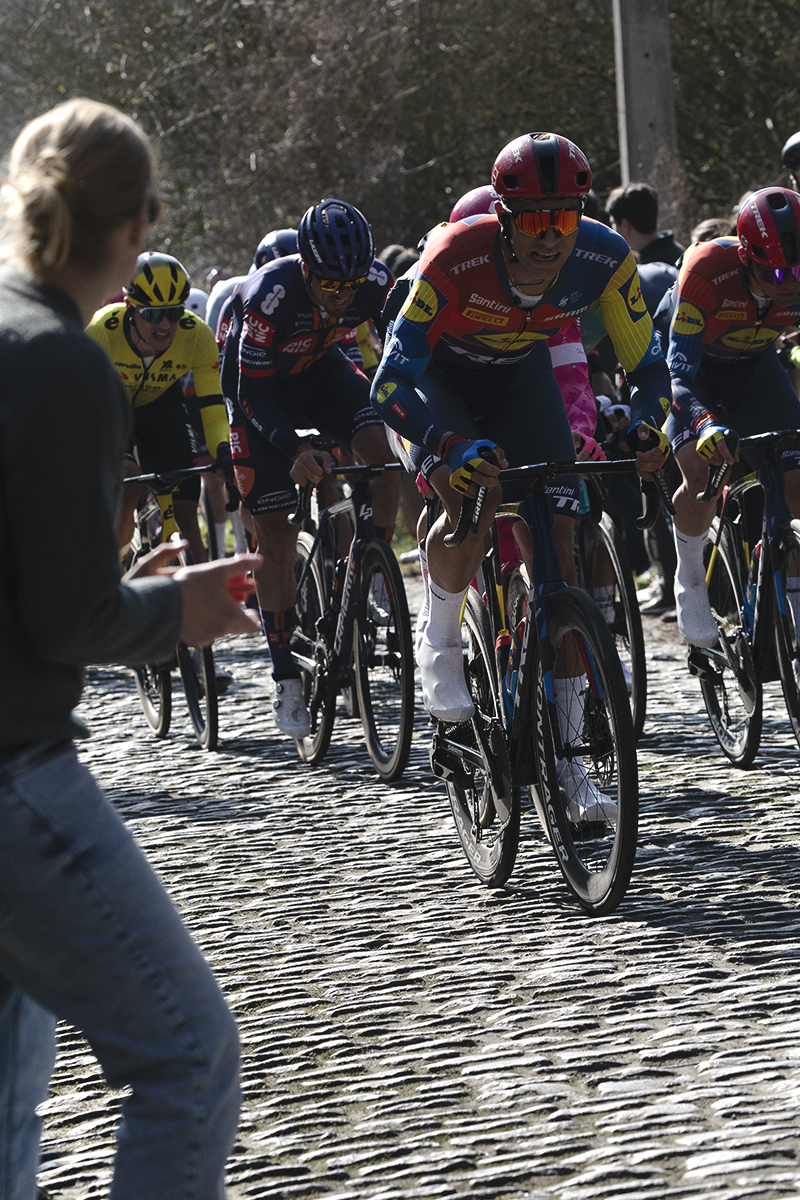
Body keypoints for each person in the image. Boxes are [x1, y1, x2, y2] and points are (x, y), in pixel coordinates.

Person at [0, 96, 262, 1200]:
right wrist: (175, 613)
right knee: (187, 1057)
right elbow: (68, 618)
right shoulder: (61, 362)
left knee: (12, 1083)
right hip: (13, 767)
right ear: (133, 226)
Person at [370, 132, 670, 814]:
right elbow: (388, 385)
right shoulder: (454, 257)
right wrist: (445, 443)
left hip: (519, 376)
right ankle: (440, 641)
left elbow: (648, 368)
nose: (548, 236)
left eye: (562, 218)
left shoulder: (603, 257)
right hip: (441, 382)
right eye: (533, 220)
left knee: (557, 546)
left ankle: (570, 767)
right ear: (503, 219)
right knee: (471, 502)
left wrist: (650, 425)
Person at [221, 198, 399, 738]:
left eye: (349, 287)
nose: (340, 296)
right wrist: (292, 450)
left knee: (382, 458)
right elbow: (248, 391)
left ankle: (375, 566)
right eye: (328, 285)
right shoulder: (270, 297)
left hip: (319, 372)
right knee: (275, 540)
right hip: (258, 395)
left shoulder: (372, 283)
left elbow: (402, 341)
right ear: (306, 266)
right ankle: (285, 679)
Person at [663, 187, 800, 646]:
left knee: (795, 481)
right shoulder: (706, 269)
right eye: (777, 271)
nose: (790, 283)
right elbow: (677, 375)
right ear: (746, 257)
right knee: (703, 472)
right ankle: (690, 575)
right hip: (693, 371)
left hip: (755, 368)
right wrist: (702, 422)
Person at [87, 252, 233, 563]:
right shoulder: (103, 329)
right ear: (130, 308)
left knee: (186, 511)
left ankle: (202, 596)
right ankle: (114, 574)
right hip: (111, 407)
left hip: (161, 406)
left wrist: (223, 448)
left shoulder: (197, 335)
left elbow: (212, 406)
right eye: (153, 315)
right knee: (128, 482)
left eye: (174, 313)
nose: (165, 325)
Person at [606, 181, 685, 266]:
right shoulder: (679, 253)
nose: (612, 231)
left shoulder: (651, 268)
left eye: (613, 223)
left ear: (625, 224)